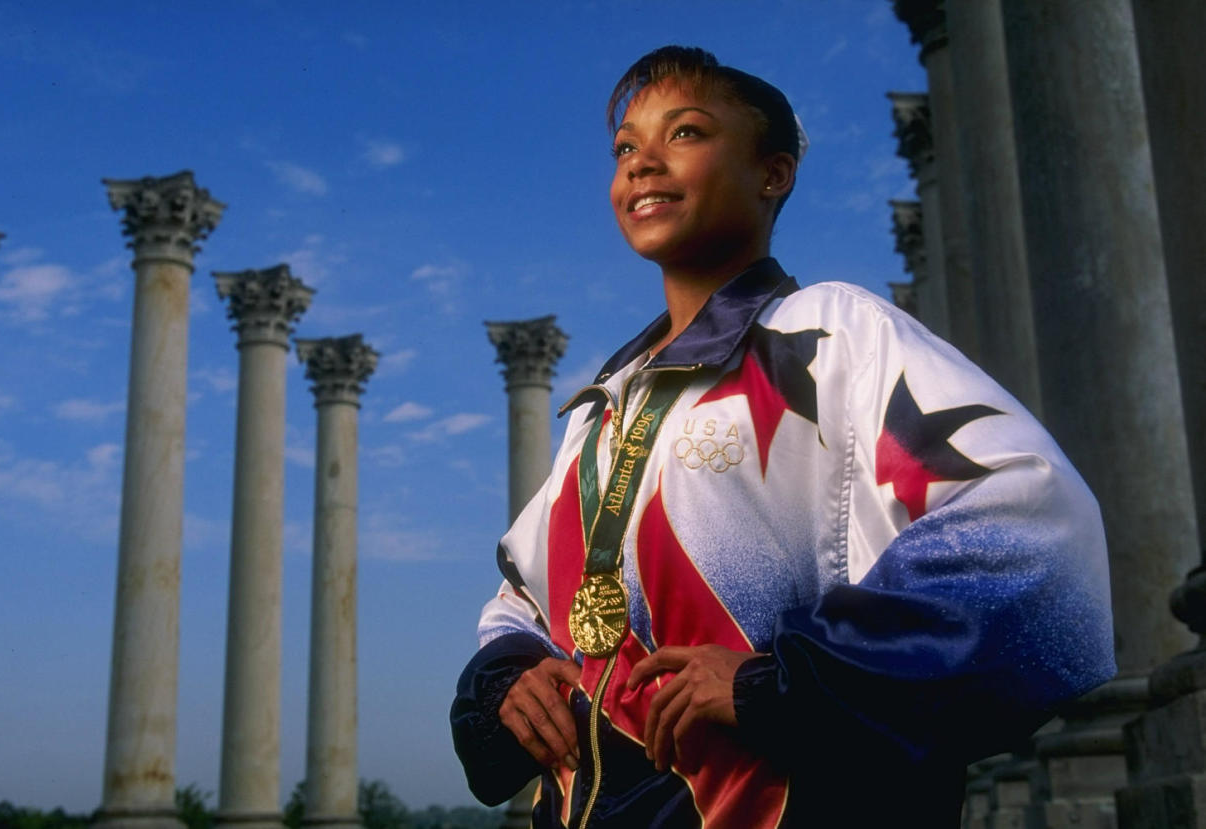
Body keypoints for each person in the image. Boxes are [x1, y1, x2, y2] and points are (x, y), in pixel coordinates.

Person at [450, 45, 1115, 827]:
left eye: (686, 134)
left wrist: (786, 683)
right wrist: (508, 680)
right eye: (626, 147)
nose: (641, 164)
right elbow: (521, 600)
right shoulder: (604, 407)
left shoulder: (826, 337)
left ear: (774, 173)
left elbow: (1034, 528)